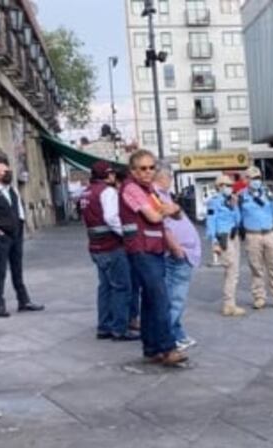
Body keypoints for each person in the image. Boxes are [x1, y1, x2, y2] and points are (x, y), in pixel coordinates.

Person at [119, 150, 188, 366]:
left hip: (153, 248)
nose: (148, 172)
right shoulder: (132, 189)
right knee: (160, 299)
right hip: (141, 249)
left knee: (151, 300)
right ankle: (167, 347)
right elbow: (154, 216)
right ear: (133, 171)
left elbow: (176, 215)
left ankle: (152, 348)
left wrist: (172, 209)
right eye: (143, 168)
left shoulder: (148, 190)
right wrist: (172, 208)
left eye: (151, 168)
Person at [0, 161, 44, 317]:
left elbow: (19, 210)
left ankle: (24, 301)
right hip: (1, 236)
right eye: (5, 172)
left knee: (17, 268)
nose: (9, 174)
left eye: (8, 171)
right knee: (1, 269)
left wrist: (21, 225)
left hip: (16, 234)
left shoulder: (13, 190)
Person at [82, 161, 137, 342]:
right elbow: (111, 218)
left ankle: (104, 327)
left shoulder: (86, 192)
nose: (114, 176)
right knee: (121, 287)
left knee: (105, 288)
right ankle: (119, 329)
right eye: (111, 173)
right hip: (111, 246)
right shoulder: (107, 192)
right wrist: (127, 235)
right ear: (106, 175)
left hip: (95, 247)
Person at [154, 163, 201, 349]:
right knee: (175, 299)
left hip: (182, 252)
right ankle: (167, 340)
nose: (171, 181)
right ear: (163, 177)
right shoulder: (157, 195)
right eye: (170, 177)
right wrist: (177, 250)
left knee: (174, 298)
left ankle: (177, 334)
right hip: (178, 254)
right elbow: (164, 226)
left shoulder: (163, 195)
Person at [239, 166, 273, 310]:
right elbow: (238, 216)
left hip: (269, 233)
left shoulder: (268, 193)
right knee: (256, 268)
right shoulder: (241, 196)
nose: (256, 181)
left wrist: (269, 223)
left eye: (258, 178)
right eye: (253, 178)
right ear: (247, 180)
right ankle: (259, 297)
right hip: (252, 235)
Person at [206, 174, 245, 316]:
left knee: (234, 271)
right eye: (227, 185)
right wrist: (214, 242)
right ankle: (229, 305)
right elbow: (211, 222)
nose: (230, 188)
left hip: (234, 236)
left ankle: (230, 303)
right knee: (231, 270)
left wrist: (235, 207)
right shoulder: (214, 202)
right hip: (224, 237)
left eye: (231, 185)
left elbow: (238, 220)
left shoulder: (231, 200)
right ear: (220, 186)